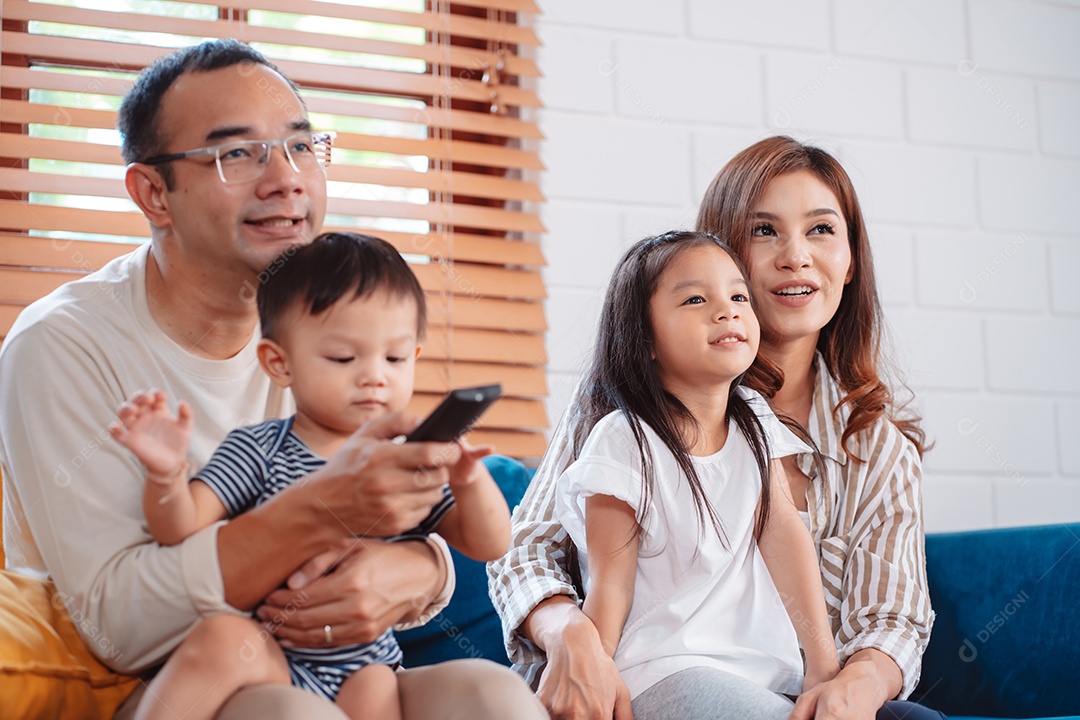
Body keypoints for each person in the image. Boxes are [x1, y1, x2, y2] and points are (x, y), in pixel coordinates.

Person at [0, 39, 546, 720]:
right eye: (236, 154)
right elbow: (118, 626)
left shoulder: (330, 318)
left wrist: (417, 569)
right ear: (153, 194)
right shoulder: (64, 344)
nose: (285, 179)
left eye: (300, 147)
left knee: (496, 697)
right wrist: (320, 511)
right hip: (186, 679)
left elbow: (440, 533)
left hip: (352, 664)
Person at [489, 136, 937, 720]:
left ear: (851, 261)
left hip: (786, 688)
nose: (795, 255)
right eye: (763, 230)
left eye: (821, 230)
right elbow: (526, 549)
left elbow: (891, 620)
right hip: (658, 681)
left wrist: (853, 681)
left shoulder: (875, 449)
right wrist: (570, 635)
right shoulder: (623, 407)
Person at [109, 233, 512, 720]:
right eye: (344, 358)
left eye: (395, 358)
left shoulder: (407, 462)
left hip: (364, 665)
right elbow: (178, 528)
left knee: (385, 687)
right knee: (222, 636)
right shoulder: (259, 448)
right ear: (280, 363)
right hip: (267, 650)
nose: (374, 376)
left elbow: (490, 544)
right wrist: (167, 474)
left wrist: (468, 481)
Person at [553, 230, 840, 713]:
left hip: (762, 678)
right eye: (694, 299)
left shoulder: (754, 419)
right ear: (644, 340)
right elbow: (611, 582)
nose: (726, 310)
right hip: (665, 673)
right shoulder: (623, 440)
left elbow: (784, 535)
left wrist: (824, 668)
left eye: (737, 296)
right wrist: (596, 684)